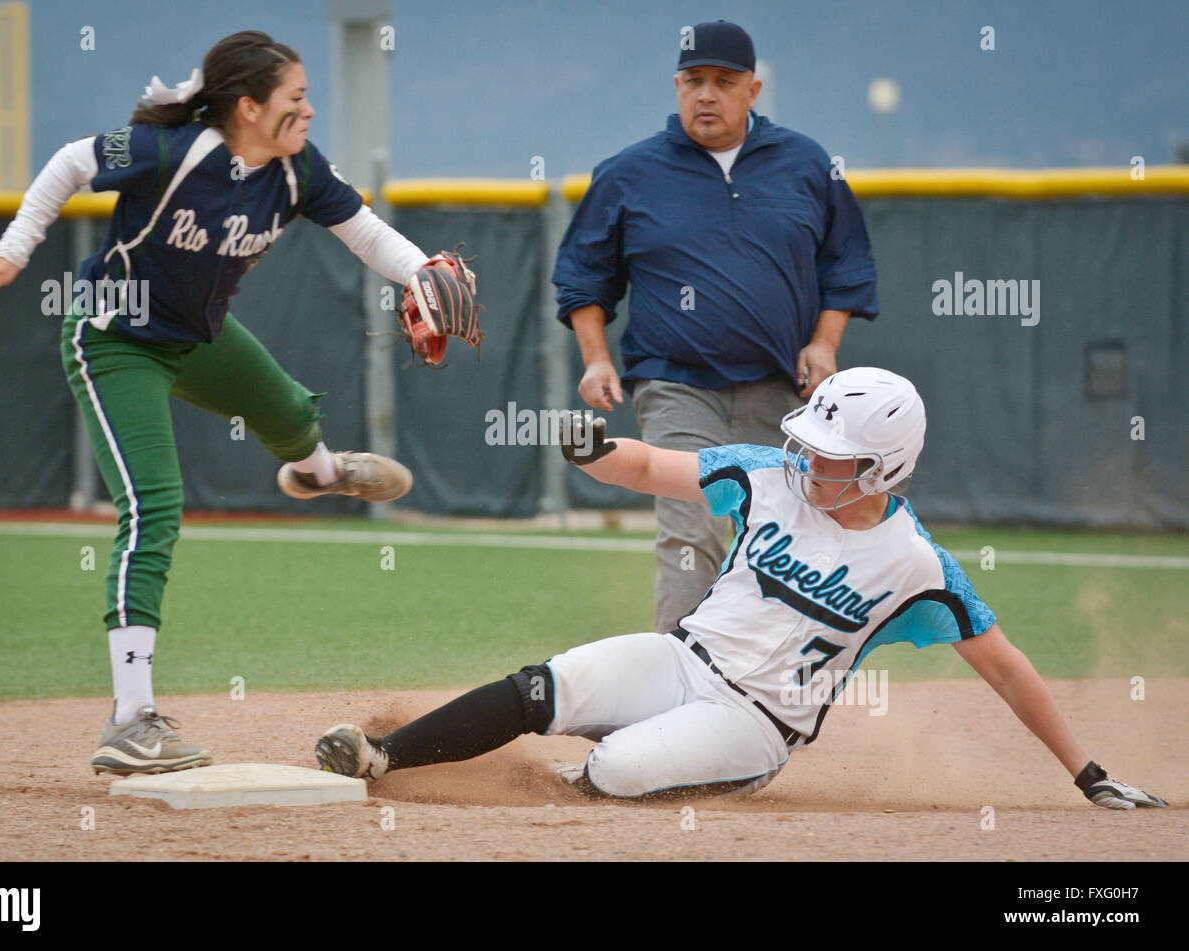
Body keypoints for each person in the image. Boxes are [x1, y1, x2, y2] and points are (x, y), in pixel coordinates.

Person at [315, 368, 1167, 811]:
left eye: (831, 456)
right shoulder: (769, 475)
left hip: (756, 724)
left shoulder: (917, 566)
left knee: (614, 770)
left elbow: (1009, 668)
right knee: (549, 684)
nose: (806, 459)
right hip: (683, 660)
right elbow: (652, 463)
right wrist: (592, 451)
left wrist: (1088, 773)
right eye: (809, 441)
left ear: (885, 468)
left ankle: (610, 779)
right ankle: (383, 755)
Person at [0, 30, 464, 775]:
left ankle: (317, 471)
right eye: (296, 97)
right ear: (248, 105)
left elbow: (361, 230)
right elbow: (71, 161)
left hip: (197, 334)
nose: (310, 109)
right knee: (153, 505)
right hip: (114, 338)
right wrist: (14, 249)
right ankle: (131, 719)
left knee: (289, 411)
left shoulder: (294, 171)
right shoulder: (171, 151)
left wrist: (421, 269)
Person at [553, 20, 879, 635]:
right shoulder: (629, 173)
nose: (707, 94)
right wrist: (596, 359)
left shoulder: (807, 164)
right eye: (693, 80)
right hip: (676, 384)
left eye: (723, 82)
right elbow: (583, 277)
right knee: (691, 526)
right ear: (677, 86)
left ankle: (773, 687)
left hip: (780, 389)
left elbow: (848, 264)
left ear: (752, 90)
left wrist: (825, 343)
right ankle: (678, 681)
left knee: (785, 534)